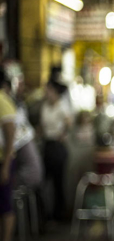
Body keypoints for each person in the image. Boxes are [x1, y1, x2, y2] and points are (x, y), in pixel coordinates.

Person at [40, 78, 72, 221]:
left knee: (58, 182)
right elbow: (42, 126)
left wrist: (62, 134)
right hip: (47, 144)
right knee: (44, 180)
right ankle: (45, 214)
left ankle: (59, 214)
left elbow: (69, 123)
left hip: (58, 146)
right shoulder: (45, 106)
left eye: (48, 90)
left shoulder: (62, 105)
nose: (46, 93)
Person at [0, 69, 16, 241]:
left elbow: (10, 135)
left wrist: (5, 165)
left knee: (5, 205)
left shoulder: (3, 101)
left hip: (3, 161)